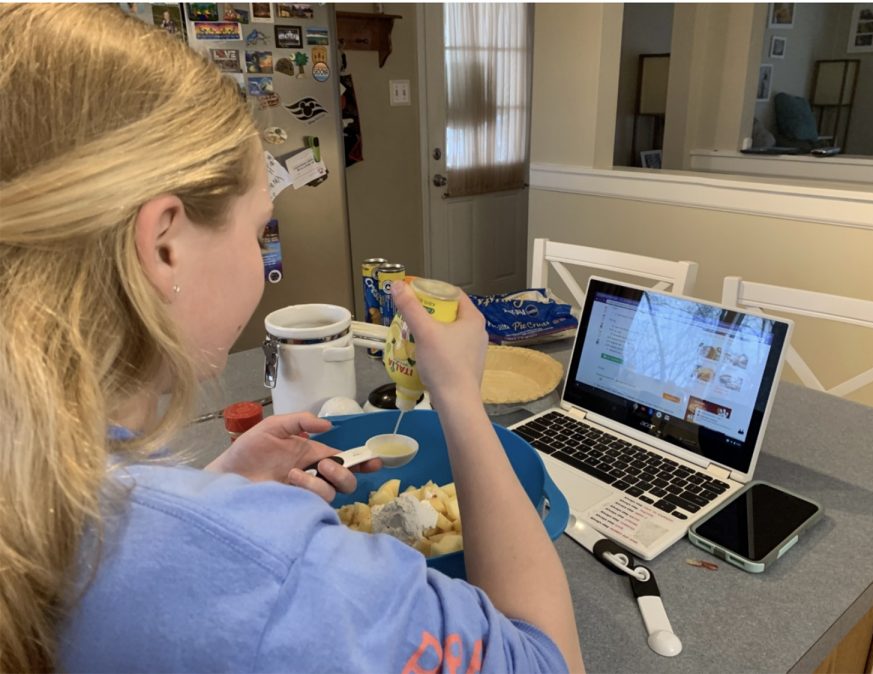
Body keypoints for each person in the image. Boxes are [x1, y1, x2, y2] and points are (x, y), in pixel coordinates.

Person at [0, 5, 584, 673]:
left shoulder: (42, 479)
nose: (260, 255)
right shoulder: (284, 577)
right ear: (163, 247)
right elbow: (548, 660)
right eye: (258, 231)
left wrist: (219, 489)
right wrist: (457, 394)